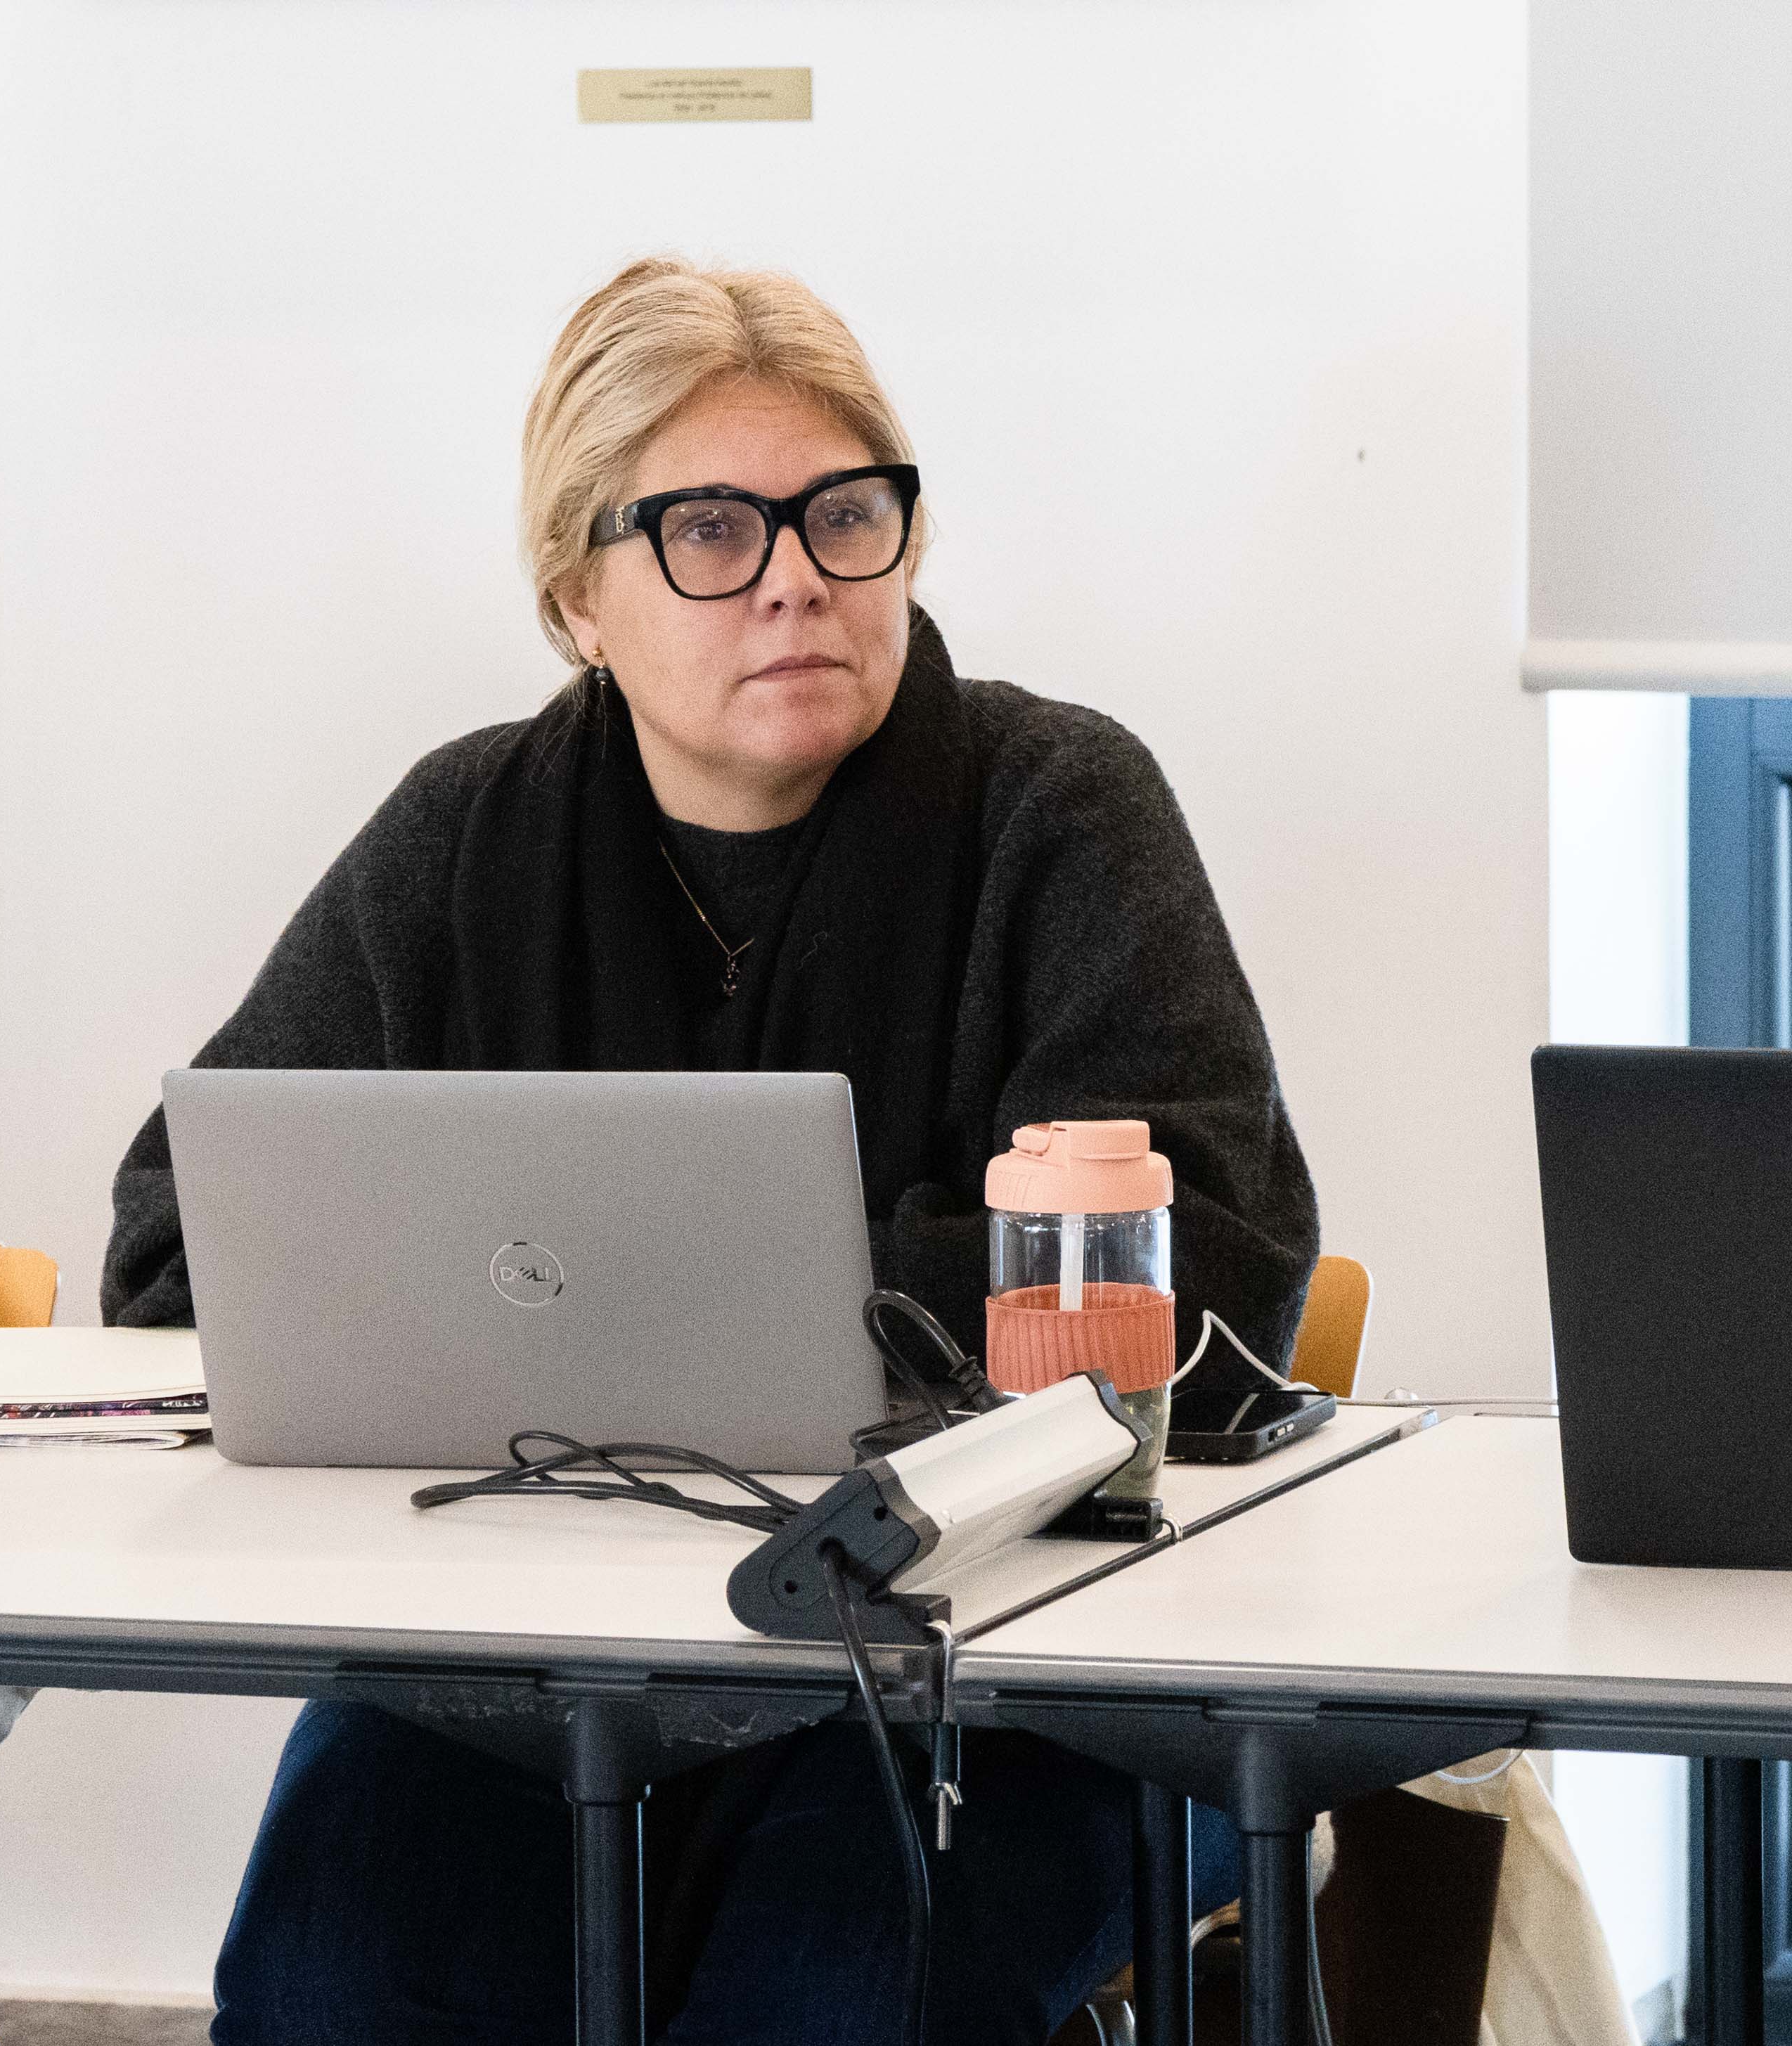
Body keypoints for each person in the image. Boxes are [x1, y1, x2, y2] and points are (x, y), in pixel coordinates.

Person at [103, 257, 1317, 2045]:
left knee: (824, 2007)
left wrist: (593, 1295)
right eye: (708, 534)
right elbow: (174, 1245)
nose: (798, 583)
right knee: (338, 1986)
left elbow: (1207, 1270)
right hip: (511, 1666)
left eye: (845, 517)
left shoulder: (1058, 807)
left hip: (1004, 1669)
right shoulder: (465, 836)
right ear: (576, 600)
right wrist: (867, 1281)